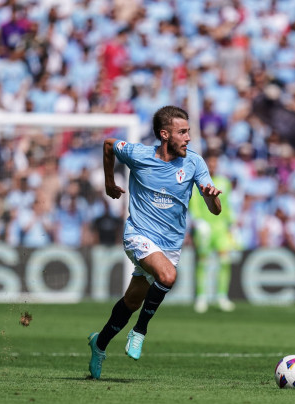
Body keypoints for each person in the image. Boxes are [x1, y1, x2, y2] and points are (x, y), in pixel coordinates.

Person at [87, 106, 223, 379]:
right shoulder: (139, 155)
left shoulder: (194, 163)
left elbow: (216, 209)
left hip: (169, 245)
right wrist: (109, 183)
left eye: (188, 131)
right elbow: (109, 144)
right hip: (138, 235)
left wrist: (210, 196)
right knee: (168, 276)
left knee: (132, 300)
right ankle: (140, 331)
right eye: (182, 132)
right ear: (164, 134)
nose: (188, 137)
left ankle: (99, 343)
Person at [189, 151, 236, 313]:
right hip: (205, 227)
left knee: (225, 261)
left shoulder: (224, 182)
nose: (213, 166)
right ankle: (201, 297)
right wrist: (197, 221)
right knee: (203, 262)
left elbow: (227, 205)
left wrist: (232, 224)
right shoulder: (198, 183)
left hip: (221, 228)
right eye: (210, 163)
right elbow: (194, 204)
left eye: (215, 163)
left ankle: (221, 296)